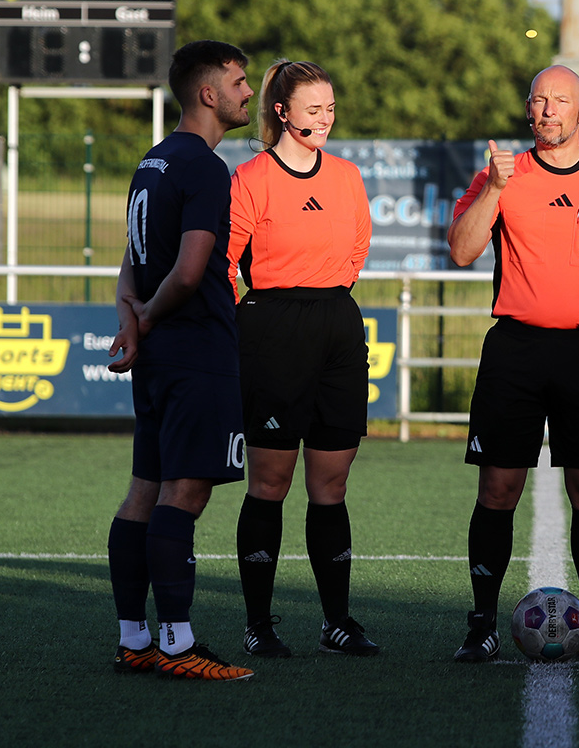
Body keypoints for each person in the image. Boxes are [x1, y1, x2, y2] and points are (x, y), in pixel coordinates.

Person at [446, 65, 579, 663]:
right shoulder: (501, 173)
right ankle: (482, 623)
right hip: (514, 349)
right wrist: (491, 188)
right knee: (498, 487)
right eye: (538, 101)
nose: (546, 111)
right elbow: (462, 251)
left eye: (559, 101)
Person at [105, 40, 255, 681]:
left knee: (144, 490)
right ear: (208, 92)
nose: (248, 92)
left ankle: (134, 638)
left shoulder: (153, 161)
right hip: (196, 350)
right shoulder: (204, 166)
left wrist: (133, 320)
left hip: (159, 355)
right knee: (183, 493)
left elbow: (130, 263)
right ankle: (176, 644)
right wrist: (153, 317)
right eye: (240, 82)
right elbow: (191, 273)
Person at [227, 59, 378, 659]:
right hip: (271, 329)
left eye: (331, 108)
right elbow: (225, 263)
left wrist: (323, 295)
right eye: (313, 109)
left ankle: (336, 621)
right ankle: (259, 624)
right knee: (269, 481)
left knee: (331, 484)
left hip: (337, 327)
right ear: (282, 113)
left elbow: (357, 248)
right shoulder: (251, 178)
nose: (325, 119)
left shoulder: (348, 176)